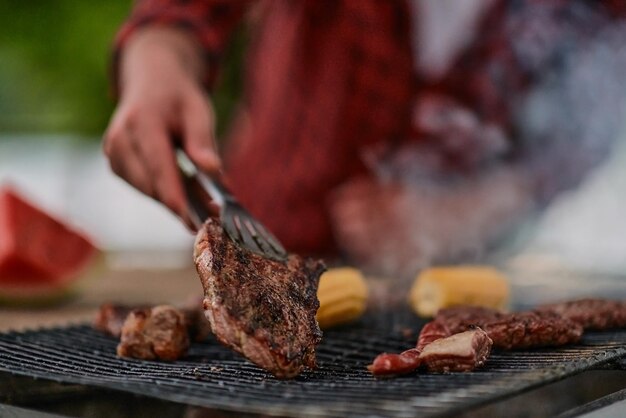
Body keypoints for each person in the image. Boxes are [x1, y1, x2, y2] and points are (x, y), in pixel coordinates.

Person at [104, 0, 626, 278]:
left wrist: (473, 208)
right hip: (269, 242)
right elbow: (183, 14)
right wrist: (158, 60)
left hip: (463, 278)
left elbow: (592, 119)